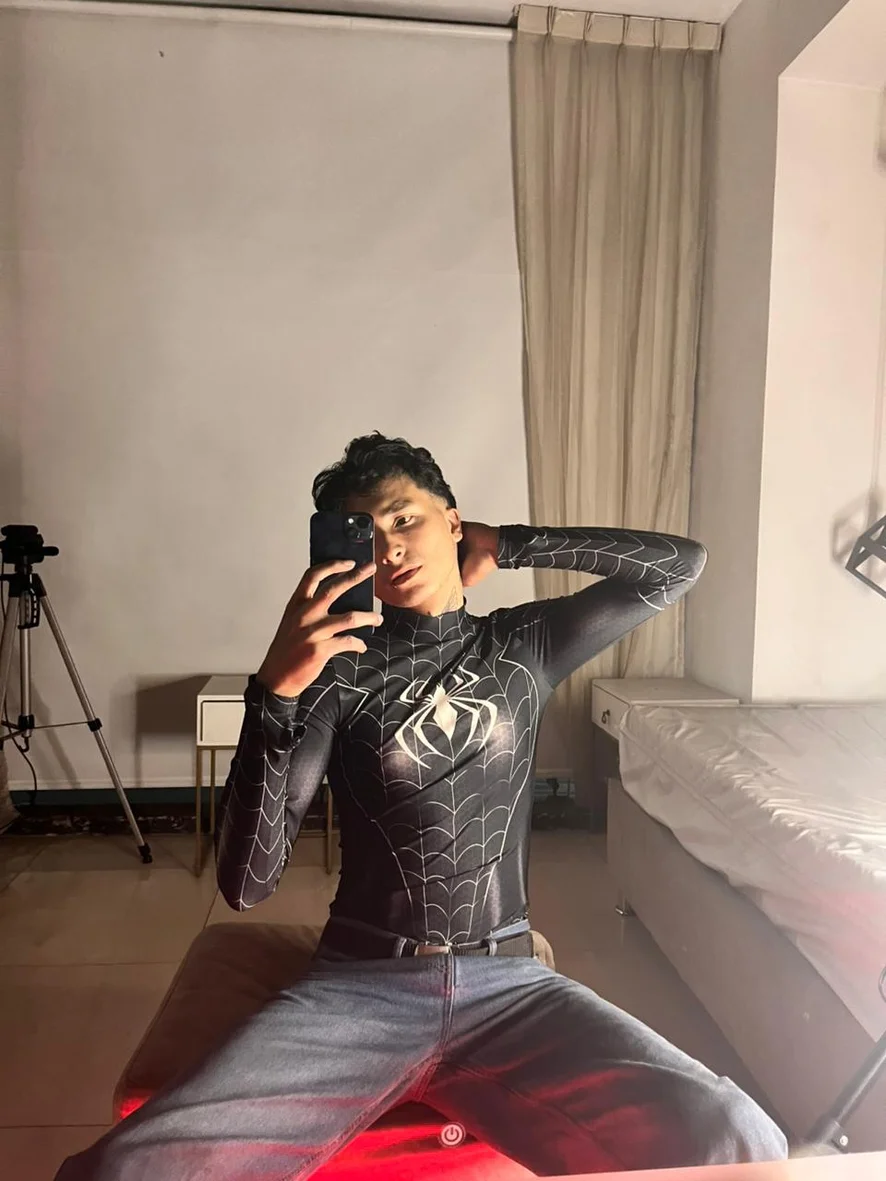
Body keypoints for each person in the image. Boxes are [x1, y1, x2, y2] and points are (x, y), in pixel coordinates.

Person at [56, 434, 788, 1180]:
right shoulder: (338, 672)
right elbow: (246, 882)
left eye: (404, 519)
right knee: (125, 1169)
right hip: (358, 989)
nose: (390, 548)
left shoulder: (523, 644)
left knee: (737, 1136)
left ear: (452, 521)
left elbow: (679, 565)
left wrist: (510, 544)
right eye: (365, 535)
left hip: (510, 989)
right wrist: (273, 693)